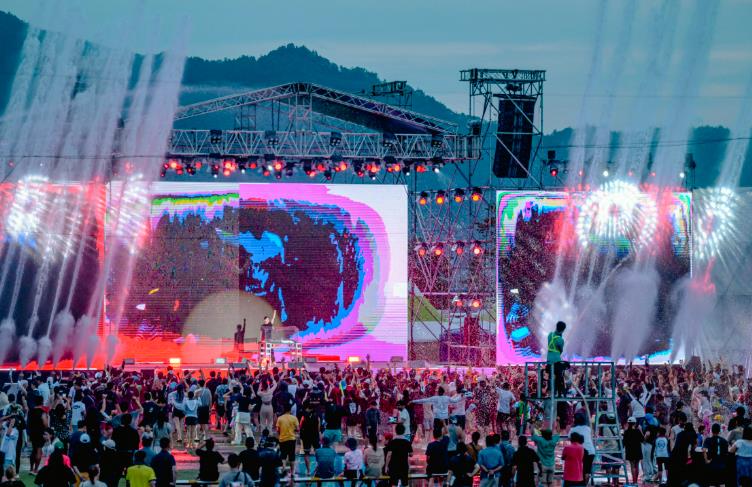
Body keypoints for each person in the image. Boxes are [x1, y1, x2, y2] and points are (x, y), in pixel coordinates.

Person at [569, 412, 595, 484]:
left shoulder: (573, 429)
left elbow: (569, 437)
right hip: (591, 451)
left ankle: (580, 483)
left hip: (580, 451)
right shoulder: (588, 428)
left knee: (580, 469)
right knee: (587, 470)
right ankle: (585, 484)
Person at [276, 404, 299, 472]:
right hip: (292, 439)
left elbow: (277, 429)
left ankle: (283, 470)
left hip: (282, 439)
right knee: (292, 456)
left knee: (283, 456)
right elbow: (298, 429)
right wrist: (293, 430)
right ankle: (292, 473)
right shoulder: (294, 418)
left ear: (284, 409)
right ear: (290, 410)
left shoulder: (280, 418)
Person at [546, 321, 566, 397]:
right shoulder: (560, 340)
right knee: (559, 377)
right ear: (563, 330)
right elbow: (561, 350)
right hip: (557, 361)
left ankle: (550, 392)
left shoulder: (550, 335)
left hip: (549, 360)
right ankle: (558, 393)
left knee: (550, 377)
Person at [623, 417, 644, 484]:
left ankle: (634, 480)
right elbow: (642, 440)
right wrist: (641, 430)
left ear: (628, 423)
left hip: (629, 450)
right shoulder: (637, 431)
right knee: (636, 465)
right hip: (637, 450)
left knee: (632, 465)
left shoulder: (626, 432)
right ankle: (636, 481)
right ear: (635, 423)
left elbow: (624, 442)